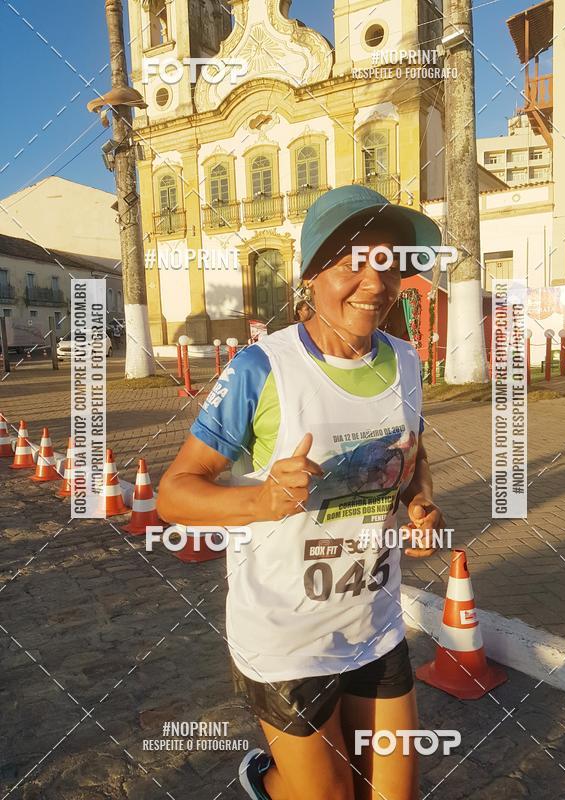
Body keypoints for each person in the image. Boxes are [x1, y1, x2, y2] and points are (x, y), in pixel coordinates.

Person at [157, 185, 446, 800]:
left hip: (373, 622)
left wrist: (418, 503)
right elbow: (175, 495)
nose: (373, 282)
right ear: (311, 276)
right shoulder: (261, 370)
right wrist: (261, 501)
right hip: (285, 637)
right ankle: (268, 783)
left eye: (387, 264)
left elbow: (413, 456)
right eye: (351, 264)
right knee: (332, 795)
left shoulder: (406, 360)